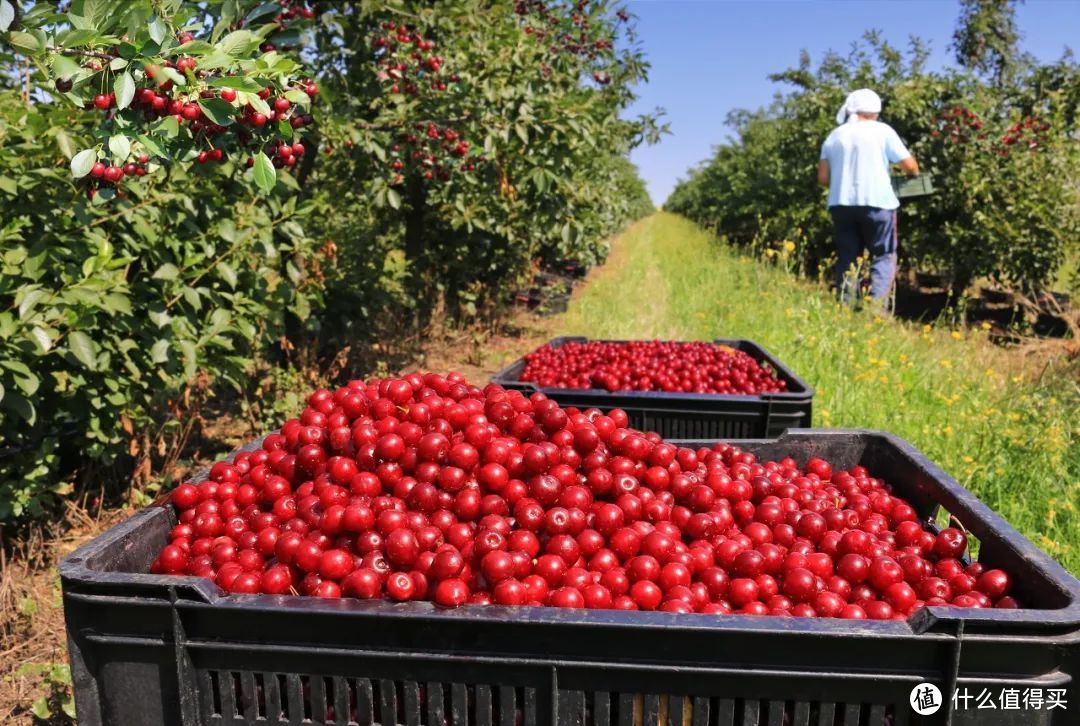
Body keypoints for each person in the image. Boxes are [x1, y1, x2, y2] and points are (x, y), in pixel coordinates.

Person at [817, 88, 919, 306]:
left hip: (841, 204)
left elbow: (823, 178)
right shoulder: (882, 131)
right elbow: (910, 166)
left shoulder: (834, 136)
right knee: (883, 254)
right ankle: (876, 309)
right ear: (875, 112)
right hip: (878, 202)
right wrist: (912, 175)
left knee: (848, 256)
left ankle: (846, 305)